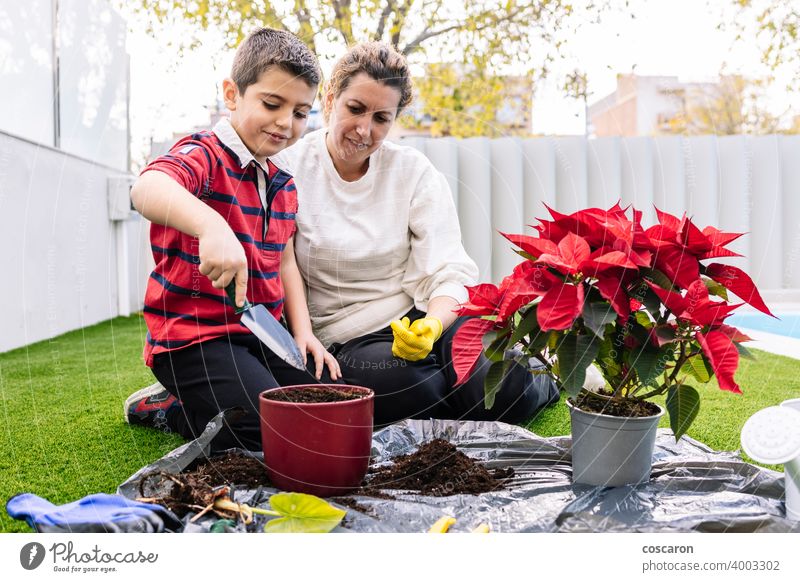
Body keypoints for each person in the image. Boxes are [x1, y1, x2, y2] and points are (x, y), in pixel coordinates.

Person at [270, 42, 559, 427]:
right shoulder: (289, 168)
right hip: (351, 337)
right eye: (355, 109)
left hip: (425, 316)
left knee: (505, 384)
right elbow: (279, 265)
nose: (364, 130)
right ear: (330, 99)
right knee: (411, 390)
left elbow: (448, 269)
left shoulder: (412, 171)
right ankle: (460, 396)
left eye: (381, 118)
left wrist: (434, 324)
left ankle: (535, 380)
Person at [123, 28, 340, 451]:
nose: (285, 123)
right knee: (267, 431)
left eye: (300, 112)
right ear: (232, 94)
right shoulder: (202, 154)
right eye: (272, 104)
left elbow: (284, 261)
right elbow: (146, 188)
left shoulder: (283, 181)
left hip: (260, 334)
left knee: (330, 409)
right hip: (194, 338)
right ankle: (173, 408)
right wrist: (212, 226)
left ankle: (202, 400)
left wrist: (303, 332)